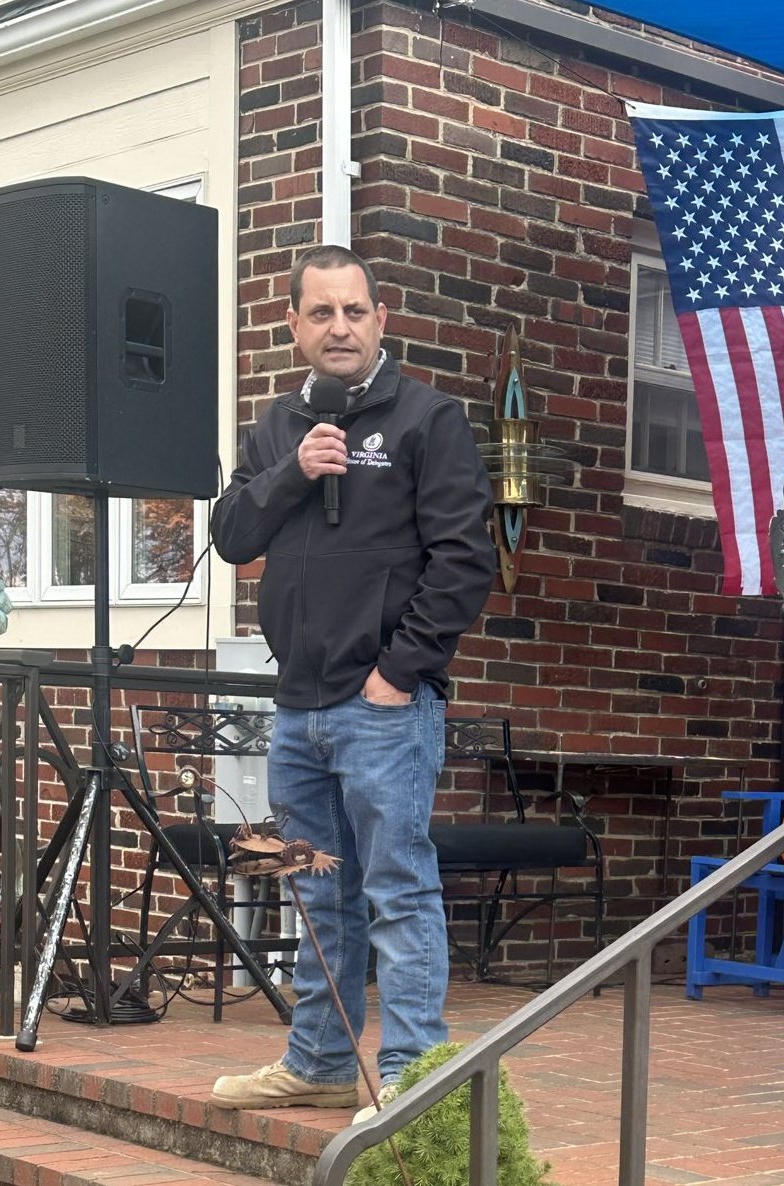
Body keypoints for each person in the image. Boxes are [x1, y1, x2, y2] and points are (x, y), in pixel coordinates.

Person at [208, 245, 496, 1120]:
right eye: (322, 312)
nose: (340, 327)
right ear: (293, 324)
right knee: (316, 892)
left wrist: (397, 673)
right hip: (297, 707)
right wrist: (294, 471)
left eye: (355, 311)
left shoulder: (427, 418)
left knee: (397, 889)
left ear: (381, 319)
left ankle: (413, 1075)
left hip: (383, 709)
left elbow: (464, 560)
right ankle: (321, 1062)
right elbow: (232, 534)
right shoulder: (278, 428)